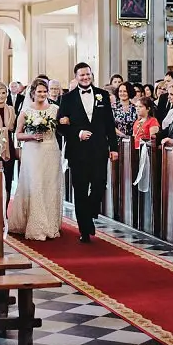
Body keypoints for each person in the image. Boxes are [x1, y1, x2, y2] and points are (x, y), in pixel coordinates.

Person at [57, 63, 120, 243]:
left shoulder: (103, 95)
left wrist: (113, 148)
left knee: (100, 184)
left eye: (88, 74)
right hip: (78, 151)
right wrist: (78, 133)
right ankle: (84, 229)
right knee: (81, 189)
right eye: (81, 75)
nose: (85, 77)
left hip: (99, 148)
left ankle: (91, 210)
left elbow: (109, 123)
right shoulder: (67, 98)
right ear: (76, 77)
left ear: (91, 75)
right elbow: (60, 126)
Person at [9, 79, 64, 240]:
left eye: (44, 91)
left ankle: (50, 224)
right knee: (35, 185)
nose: (42, 94)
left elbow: (61, 128)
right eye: (39, 91)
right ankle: (36, 225)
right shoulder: (26, 110)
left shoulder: (55, 109)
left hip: (51, 150)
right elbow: (18, 134)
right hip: (33, 152)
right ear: (33, 93)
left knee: (50, 185)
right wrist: (31, 136)